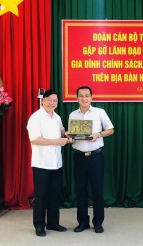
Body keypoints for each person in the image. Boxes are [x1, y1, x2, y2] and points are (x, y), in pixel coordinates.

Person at [68, 86, 114, 234]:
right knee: (80, 190)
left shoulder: (100, 112)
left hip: (96, 156)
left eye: (87, 96)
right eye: (81, 96)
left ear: (91, 97)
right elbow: (72, 134)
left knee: (97, 190)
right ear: (77, 98)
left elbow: (110, 129)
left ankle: (98, 222)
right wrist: (70, 137)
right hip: (79, 157)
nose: (84, 98)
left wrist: (98, 135)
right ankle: (82, 222)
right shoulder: (72, 115)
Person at [26, 89, 72, 237]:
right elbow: (35, 139)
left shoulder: (57, 117)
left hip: (56, 163)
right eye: (49, 100)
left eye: (55, 101)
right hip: (41, 163)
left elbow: (61, 132)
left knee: (54, 195)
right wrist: (58, 141)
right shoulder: (35, 117)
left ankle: (53, 223)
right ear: (43, 100)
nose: (52, 103)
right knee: (41, 195)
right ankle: (39, 225)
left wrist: (68, 134)